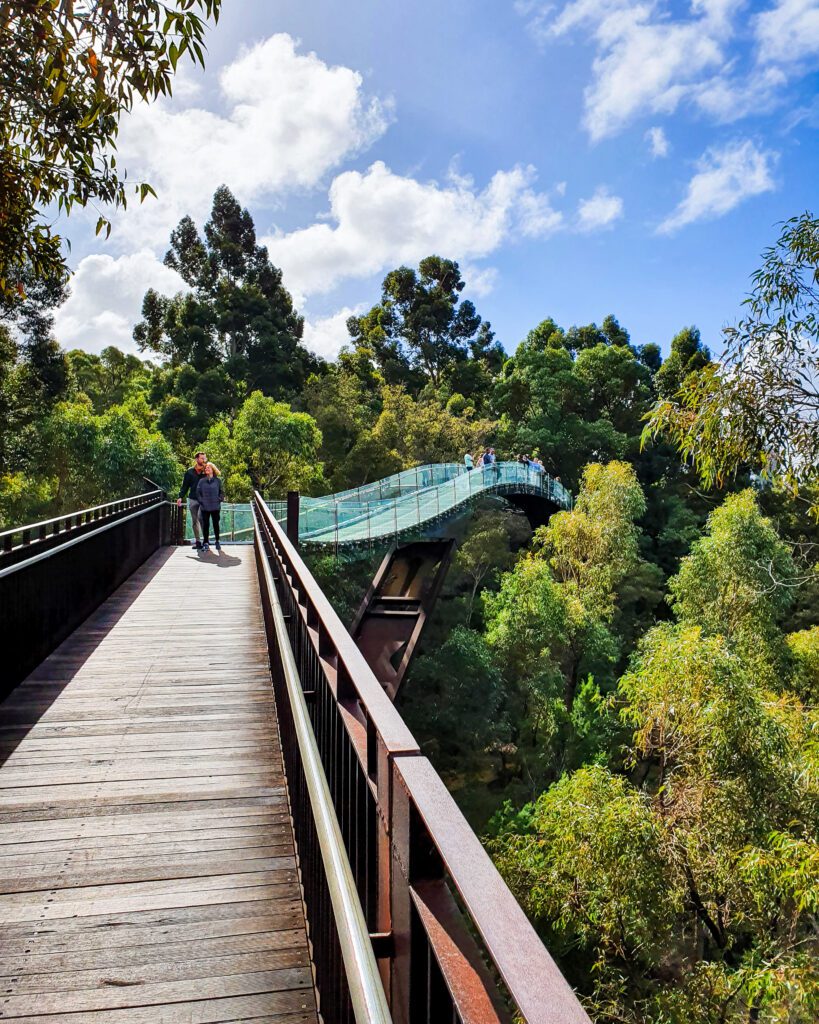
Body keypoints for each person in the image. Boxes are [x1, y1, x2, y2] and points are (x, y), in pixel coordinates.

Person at [178, 451, 207, 549]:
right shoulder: (189, 472)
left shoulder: (206, 471)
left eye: (205, 458)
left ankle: (206, 541)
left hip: (204, 500)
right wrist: (180, 497)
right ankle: (198, 542)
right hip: (193, 499)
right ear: (197, 459)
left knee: (202, 518)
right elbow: (185, 486)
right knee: (195, 521)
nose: (204, 460)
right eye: (202, 458)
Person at [196, 462, 225, 553]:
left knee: (216, 524)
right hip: (204, 507)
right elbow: (198, 493)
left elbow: (222, 492)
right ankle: (206, 543)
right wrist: (202, 502)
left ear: (212, 469)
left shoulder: (218, 481)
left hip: (215, 507)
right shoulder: (201, 481)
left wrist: (219, 499)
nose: (207, 469)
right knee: (205, 525)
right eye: (206, 468)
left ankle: (217, 541)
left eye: (208, 468)